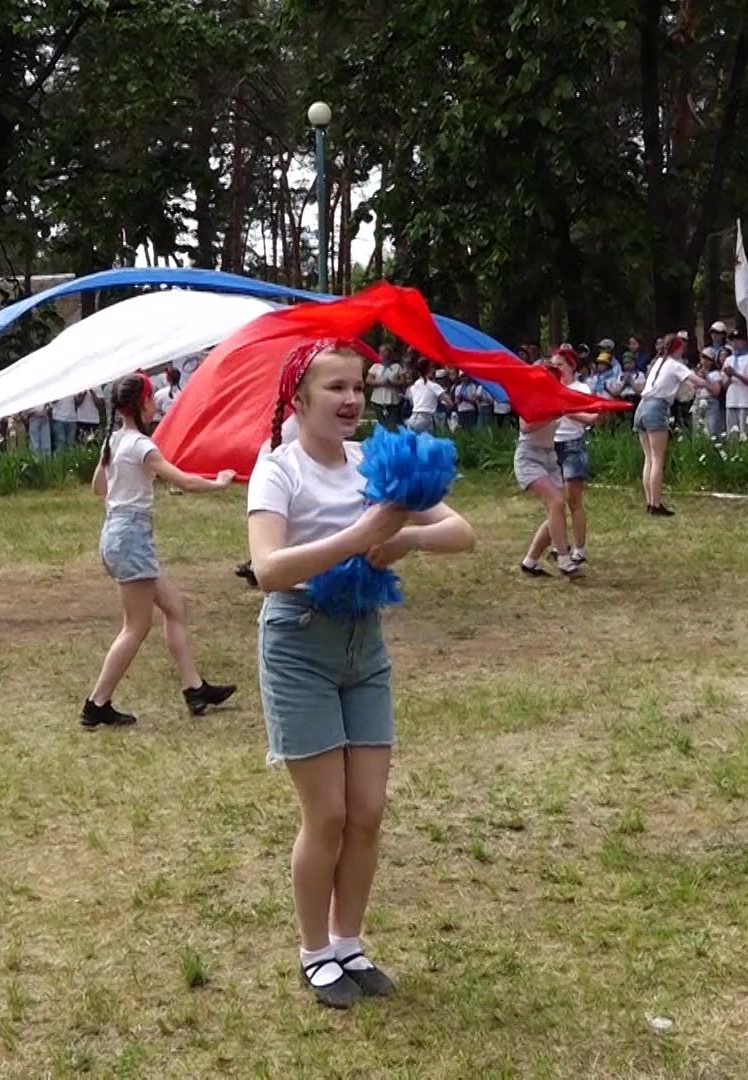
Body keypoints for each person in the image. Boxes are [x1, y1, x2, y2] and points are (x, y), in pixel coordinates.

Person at [246, 340, 476, 1008]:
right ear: (300, 399)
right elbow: (267, 570)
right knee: (329, 814)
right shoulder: (277, 471)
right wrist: (360, 534)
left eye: (359, 386)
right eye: (335, 388)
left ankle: (350, 942)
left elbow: (462, 532)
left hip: (363, 647)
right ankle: (314, 952)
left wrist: (402, 537)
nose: (352, 400)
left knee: (368, 812)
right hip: (298, 644)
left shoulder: (372, 463)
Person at [83, 374, 238, 728]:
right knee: (136, 627)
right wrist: (219, 483)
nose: (155, 405)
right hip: (131, 538)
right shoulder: (140, 445)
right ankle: (96, 704)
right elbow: (181, 480)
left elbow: (97, 487)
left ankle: (195, 689)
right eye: (151, 399)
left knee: (175, 607)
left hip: (118, 535)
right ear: (143, 404)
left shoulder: (116, 440)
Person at [525, 350, 600, 566]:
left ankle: (580, 548)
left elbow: (587, 417)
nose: (557, 369)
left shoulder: (580, 389)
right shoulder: (548, 389)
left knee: (572, 501)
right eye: (554, 365)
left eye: (561, 365)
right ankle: (561, 546)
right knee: (554, 504)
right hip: (550, 447)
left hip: (572, 446)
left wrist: (570, 410)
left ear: (571, 367)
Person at [515, 353, 583, 578]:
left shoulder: (556, 398)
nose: (553, 381)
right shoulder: (529, 397)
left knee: (556, 510)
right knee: (555, 502)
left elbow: (581, 414)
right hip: (529, 458)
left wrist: (599, 409)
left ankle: (530, 561)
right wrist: (556, 412)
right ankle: (564, 558)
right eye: (548, 376)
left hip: (550, 458)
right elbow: (526, 426)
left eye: (555, 376)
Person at [637, 336, 691, 515]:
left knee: (648, 457)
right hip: (657, 407)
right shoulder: (675, 364)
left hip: (642, 406)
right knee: (658, 458)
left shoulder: (657, 362)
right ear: (677, 348)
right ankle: (656, 504)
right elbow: (696, 381)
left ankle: (649, 502)